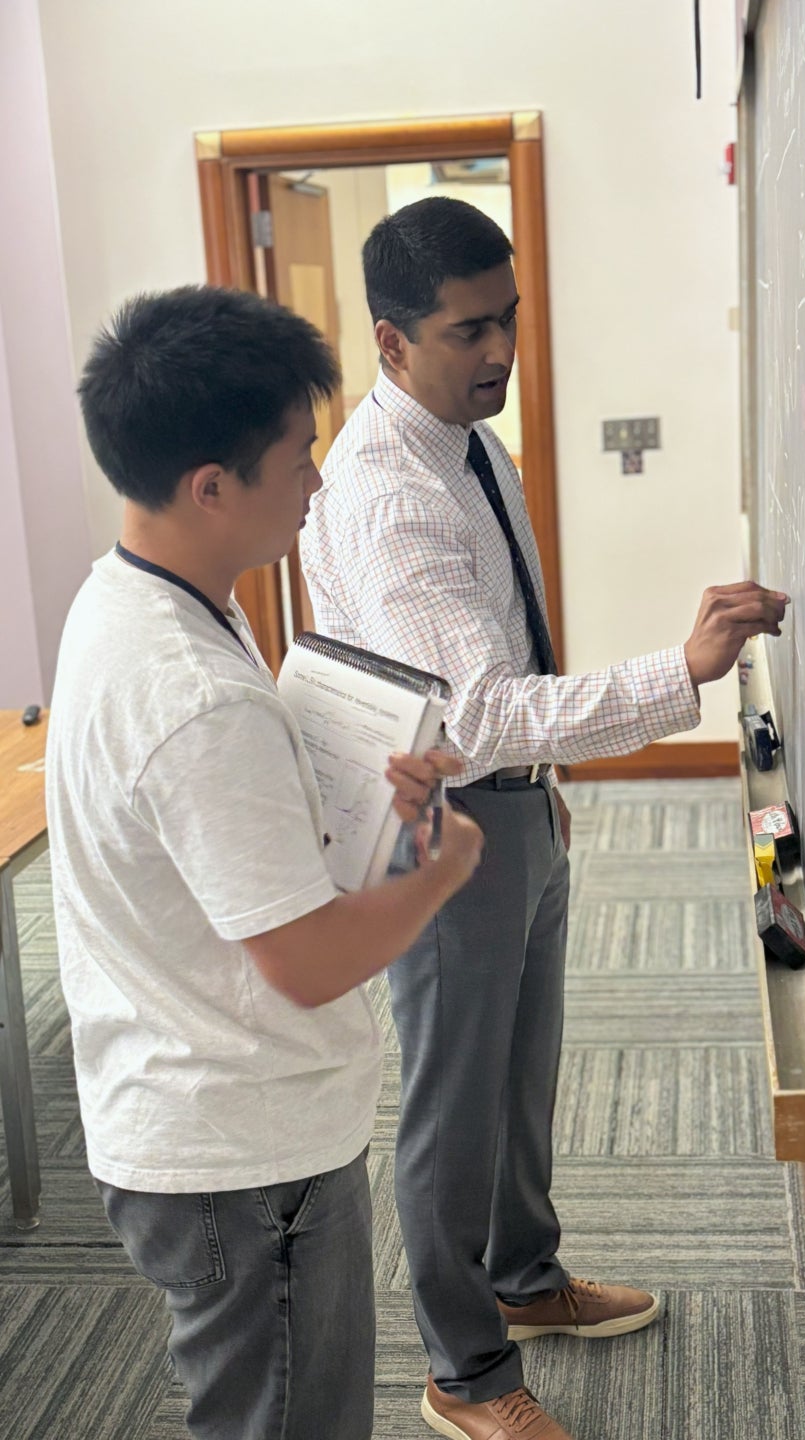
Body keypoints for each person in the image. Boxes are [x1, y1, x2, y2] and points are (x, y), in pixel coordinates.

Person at [300, 197, 788, 1440]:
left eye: (508, 319)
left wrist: (545, 804)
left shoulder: (468, 444)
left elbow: (505, 676)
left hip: (514, 813)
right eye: (470, 331)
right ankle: (462, 1371)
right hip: (445, 827)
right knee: (452, 1104)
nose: (501, 351)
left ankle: (524, 1281)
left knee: (523, 1074)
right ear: (392, 342)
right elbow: (484, 714)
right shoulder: (387, 495)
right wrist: (680, 673)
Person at [45, 284, 483, 1440]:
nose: (319, 483)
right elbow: (300, 960)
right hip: (240, 1155)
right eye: (300, 457)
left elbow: (213, 839)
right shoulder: (192, 694)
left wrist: (342, 790)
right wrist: (440, 868)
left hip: (200, 1111)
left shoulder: (136, 597)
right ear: (212, 487)